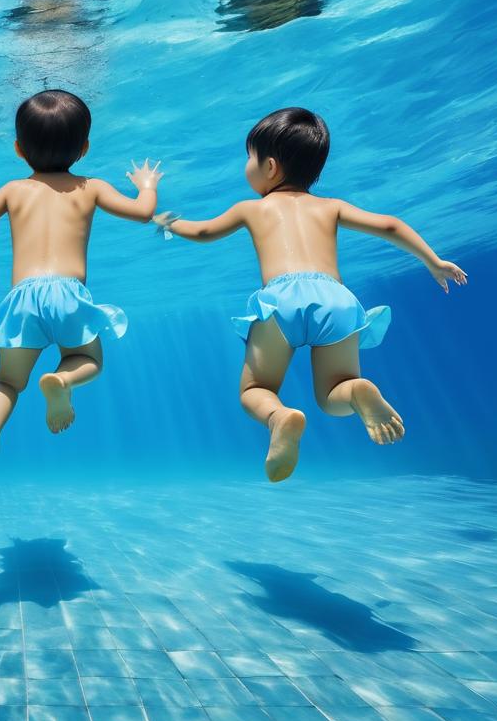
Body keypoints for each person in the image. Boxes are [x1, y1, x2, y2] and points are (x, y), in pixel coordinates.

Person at [155, 107, 467, 482]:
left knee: (256, 389)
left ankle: (279, 417)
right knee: (333, 394)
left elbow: (204, 233)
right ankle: (356, 390)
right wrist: (433, 261)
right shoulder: (331, 207)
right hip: (334, 299)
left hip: (280, 301)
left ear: (269, 167)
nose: (246, 166)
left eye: (249, 158)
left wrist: (168, 223)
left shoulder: (252, 208)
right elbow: (389, 224)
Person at [0, 89, 162, 479]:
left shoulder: (13, 190)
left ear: (18, 149)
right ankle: (63, 379)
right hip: (68, 294)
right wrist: (147, 183)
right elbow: (143, 213)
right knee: (89, 360)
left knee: (6, 380)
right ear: (83, 148)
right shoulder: (91, 187)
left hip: (22, 299)